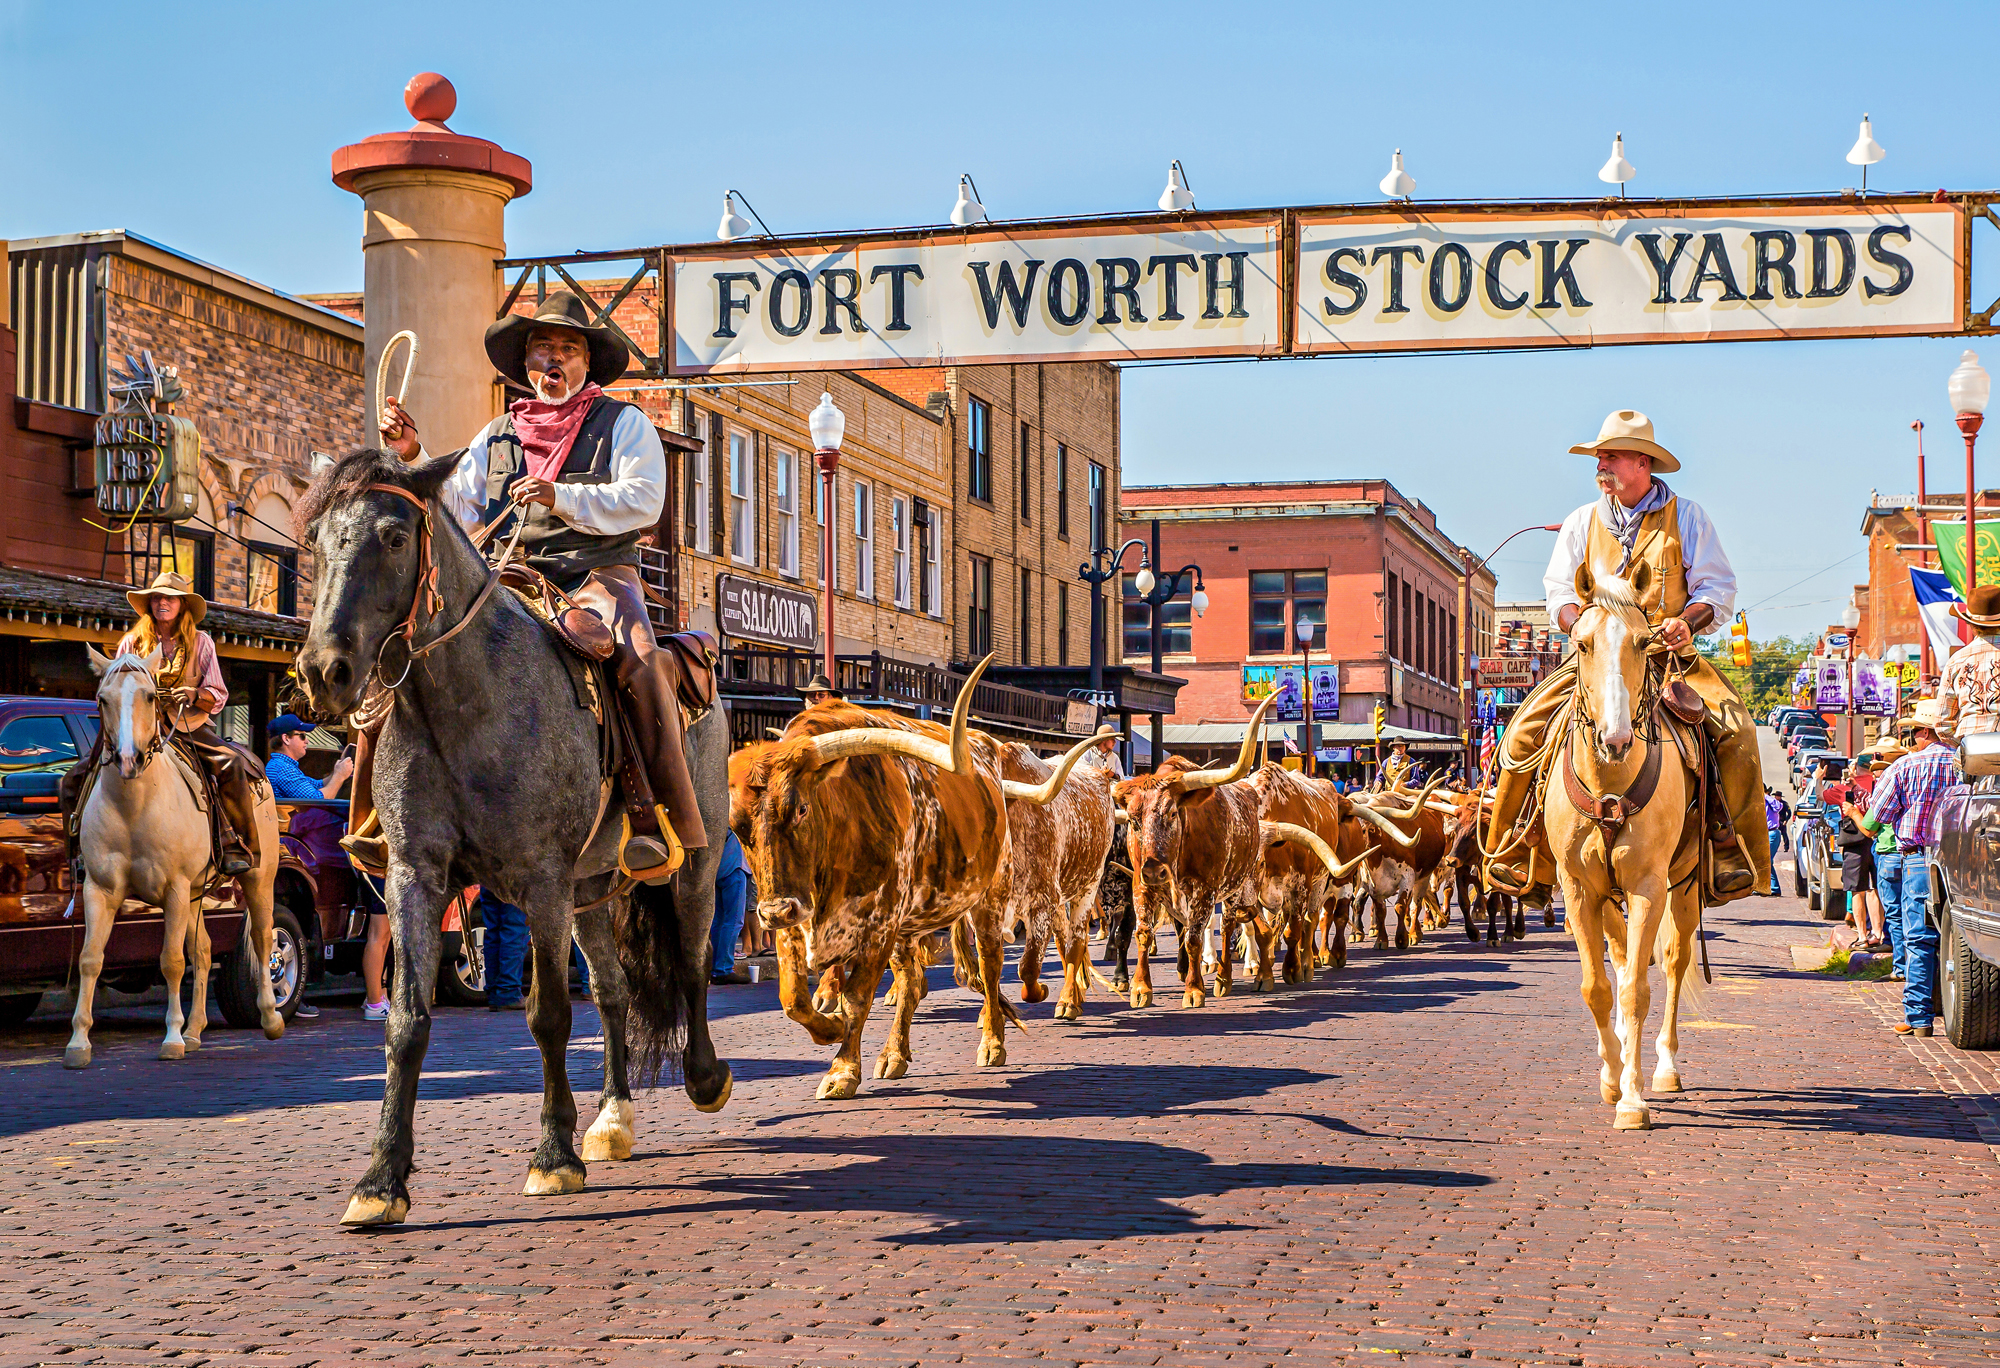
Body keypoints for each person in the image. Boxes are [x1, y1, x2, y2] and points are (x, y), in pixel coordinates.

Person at [363, 290, 705, 881]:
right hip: (505, 580)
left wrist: (560, 495)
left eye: (566, 349)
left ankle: (658, 820)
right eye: (542, 348)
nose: (553, 360)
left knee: (643, 660)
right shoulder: (495, 434)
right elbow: (454, 510)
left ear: (585, 363)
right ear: (525, 364)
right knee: (402, 652)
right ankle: (378, 818)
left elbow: (645, 499)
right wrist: (412, 454)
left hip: (596, 575)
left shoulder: (624, 423)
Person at [1485, 410, 1763, 901]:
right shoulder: (1580, 521)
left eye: (1611, 455)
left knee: (1735, 729)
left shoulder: (1688, 517)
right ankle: (1516, 847)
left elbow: (1717, 588)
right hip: (1595, 661)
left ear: (1643, 463)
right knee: (1524, 730)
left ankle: (1728, 847)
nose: (1601, 462)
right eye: (1599, 455)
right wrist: (1581, 627)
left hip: (1667, 658)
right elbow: (1557, 594)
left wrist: (1686, 622)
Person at [59, 572, 265, 877]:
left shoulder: (201, 643)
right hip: (136, 727)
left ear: (182, 605)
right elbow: (115, 687)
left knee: (231, 763)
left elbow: (218, 694)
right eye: (157, 598)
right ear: (149, 605)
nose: (162, 603)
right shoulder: (131, 642)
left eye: (169, 598)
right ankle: (78, 854)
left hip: (189, 726)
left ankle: (237, 845)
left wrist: (195, 693)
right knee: (72, 779)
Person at [1857, 699, 1956, 1037]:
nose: (1911, 738)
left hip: (1918, 856)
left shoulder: (1906, 767)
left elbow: (1879, 815)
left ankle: (1919, 1018)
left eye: (1913, 732)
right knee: (1960, 937)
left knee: (1918, 936)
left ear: (1925, 731)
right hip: (1961, 857)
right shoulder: (1963, 763)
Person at [1942, 583, 2000, 736]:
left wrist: (1962, 746)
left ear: (1971, 624)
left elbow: (1942, 723)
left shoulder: (1956, 661)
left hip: (1972, 746)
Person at [265, 715, 353, 801]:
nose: (307, 741)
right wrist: (339, 776)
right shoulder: (283, 769)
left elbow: (317, 784)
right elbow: (317, 802)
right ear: (286, 738)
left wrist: (339, 770)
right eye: (302, 736)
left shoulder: (280, 765)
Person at [474, 887, 530, 1011]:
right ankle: (508, 993)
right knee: (514, 930)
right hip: (513, 875)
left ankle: (494, 995)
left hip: (487, 877)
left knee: (493, 933)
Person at [710, 832, 751, 985]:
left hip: (719, 871)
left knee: (719, 921)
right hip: (735, 868)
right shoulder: (735, 823)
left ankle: (715, 968)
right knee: (734, 921)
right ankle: (723, 969)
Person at [1764, 786, 1784, 896]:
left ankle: (1774, 888)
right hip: (1764, 834)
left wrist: (1765, 795)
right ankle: (1770, 887)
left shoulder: (1769, 801)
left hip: (1772, 833)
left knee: (1767, 860)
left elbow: (1778, 807)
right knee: (1766, 861)